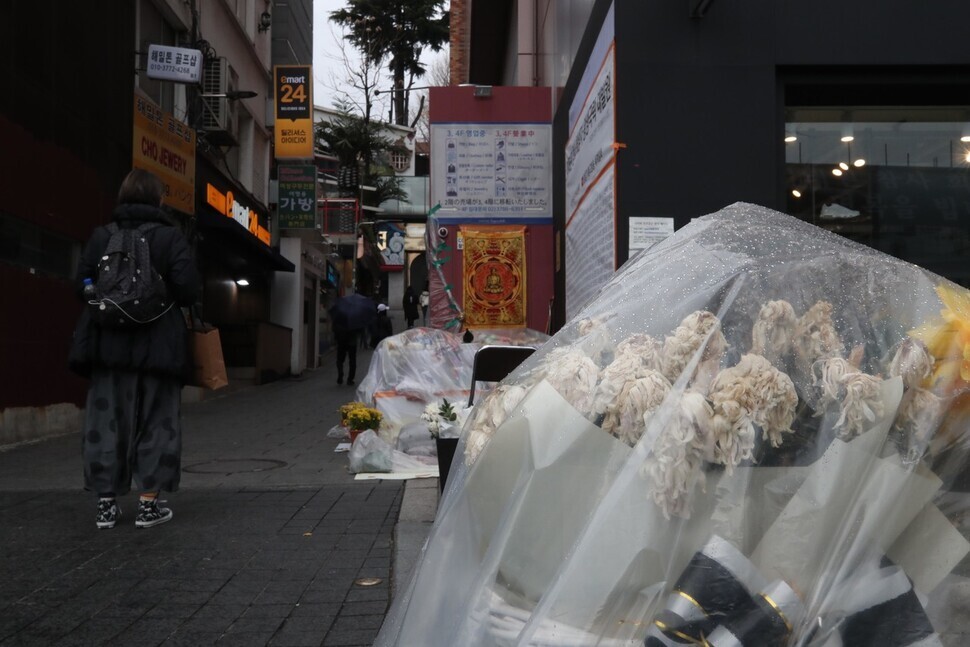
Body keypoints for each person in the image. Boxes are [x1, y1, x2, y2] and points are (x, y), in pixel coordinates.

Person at [68, 169, 199, 530]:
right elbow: (189, 290)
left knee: (105, 422)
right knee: (158, 422)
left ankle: (106, 506)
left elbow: (81, 284)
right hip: (159, 346)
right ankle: (148, 506)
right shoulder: (170, 238)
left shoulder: (101, 237)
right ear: (159, 200)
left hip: (107, 345)